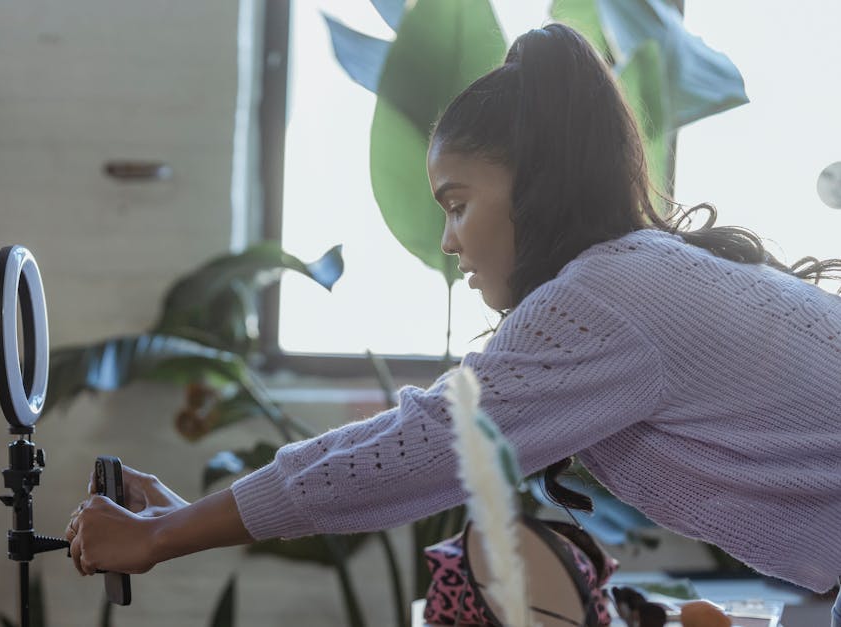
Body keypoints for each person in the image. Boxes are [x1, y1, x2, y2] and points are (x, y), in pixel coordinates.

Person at [66, 23, 841, 621]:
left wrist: (162, 537)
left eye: (459, 203)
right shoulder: (648, 271)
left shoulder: (604, 295)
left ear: (533, 187)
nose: (448, 240)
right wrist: (180, 518)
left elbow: (412, 445)